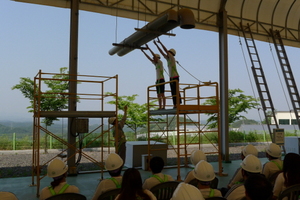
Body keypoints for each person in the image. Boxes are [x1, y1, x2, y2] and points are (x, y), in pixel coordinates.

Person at [154, 38, 181, 108]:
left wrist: (160, 43)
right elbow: (162, 52)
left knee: (175, 91)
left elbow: (165, 50)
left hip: (175, 77)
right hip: (171, 77)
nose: (167, 53)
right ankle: (175, 104)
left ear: (172, 54)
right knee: (173, 92)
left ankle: (178, 104)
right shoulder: (168, 59)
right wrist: (157, 45)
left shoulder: (172, 58)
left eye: (169, 52)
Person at [141, 44, 166, 110]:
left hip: (161, 79)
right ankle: (160, 106)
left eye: (154, 58)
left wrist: (149, 48)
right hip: (157, 80)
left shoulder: (160, 62)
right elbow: (149, 58)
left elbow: (153, 55)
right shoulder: (156, 64)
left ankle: (163, 106)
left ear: (157, 58)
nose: (153, 59)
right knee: (158, 95)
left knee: (162, 94)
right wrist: (143, 52)